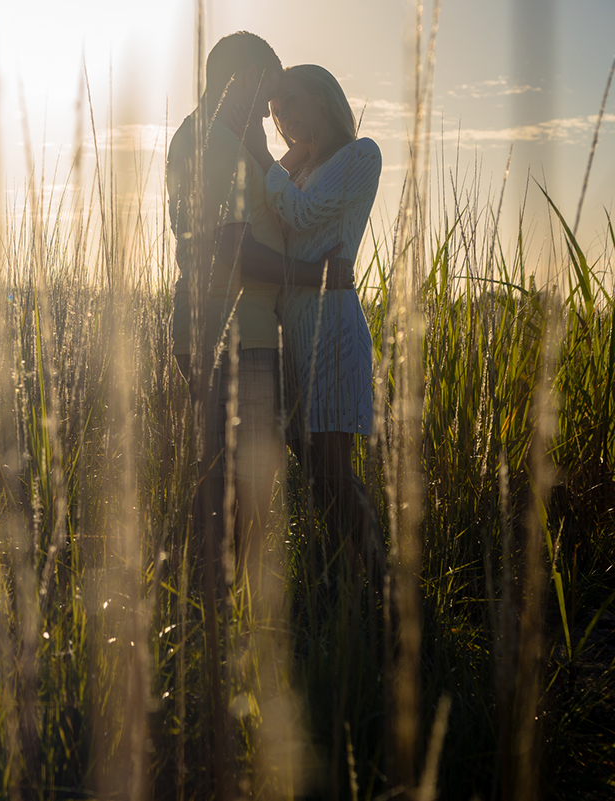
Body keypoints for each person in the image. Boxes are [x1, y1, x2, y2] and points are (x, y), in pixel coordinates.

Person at [166, 33, 349, 799]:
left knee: (243, 483)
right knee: (230, 489)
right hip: (231, 335)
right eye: (265, 90)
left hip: (244, 333)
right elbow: (230, 250)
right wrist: (318, 272)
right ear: (236, 79)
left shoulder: (229, 139)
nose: (274, 113)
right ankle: (218, 642)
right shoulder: (211, 143)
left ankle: (228, 625)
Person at [233, 64, 383, 573]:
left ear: (323, 97)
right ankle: (349, 585)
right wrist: (289, 160)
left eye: (292, 102)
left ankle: (384, 587)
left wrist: (269, 156)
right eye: (276, 112)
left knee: (334, 473)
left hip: (332, 330)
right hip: (292, 334)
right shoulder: (295, 172)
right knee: (318, 476)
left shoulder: (360, 155)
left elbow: (300, 214)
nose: (283, 118)